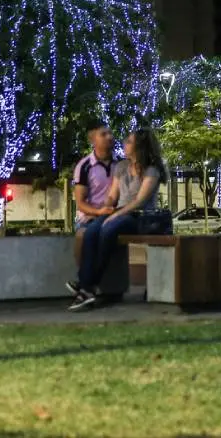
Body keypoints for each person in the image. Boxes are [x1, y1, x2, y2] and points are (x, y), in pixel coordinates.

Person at [69, 127, 166, 311]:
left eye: (129, 142)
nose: (123, 143)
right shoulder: (121, 167)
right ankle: (86, 286)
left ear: (139, 147)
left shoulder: (151, 171)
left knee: (108, 230)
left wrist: (115, 215)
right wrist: (106, 209)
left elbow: (139, 202)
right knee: (91, 231)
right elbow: (113, 195)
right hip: (118, 212)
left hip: (138, 216)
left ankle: (87, 286)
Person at [71, 122, 117, 263]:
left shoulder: (121, 164)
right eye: (103, 134)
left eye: (110, 133)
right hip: (89, 217)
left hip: (115, 215)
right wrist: (98, 212)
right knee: (83, 235)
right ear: (92, 140)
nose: (109, 137)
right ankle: (82, 272)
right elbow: (80, 203)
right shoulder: (84, 166)